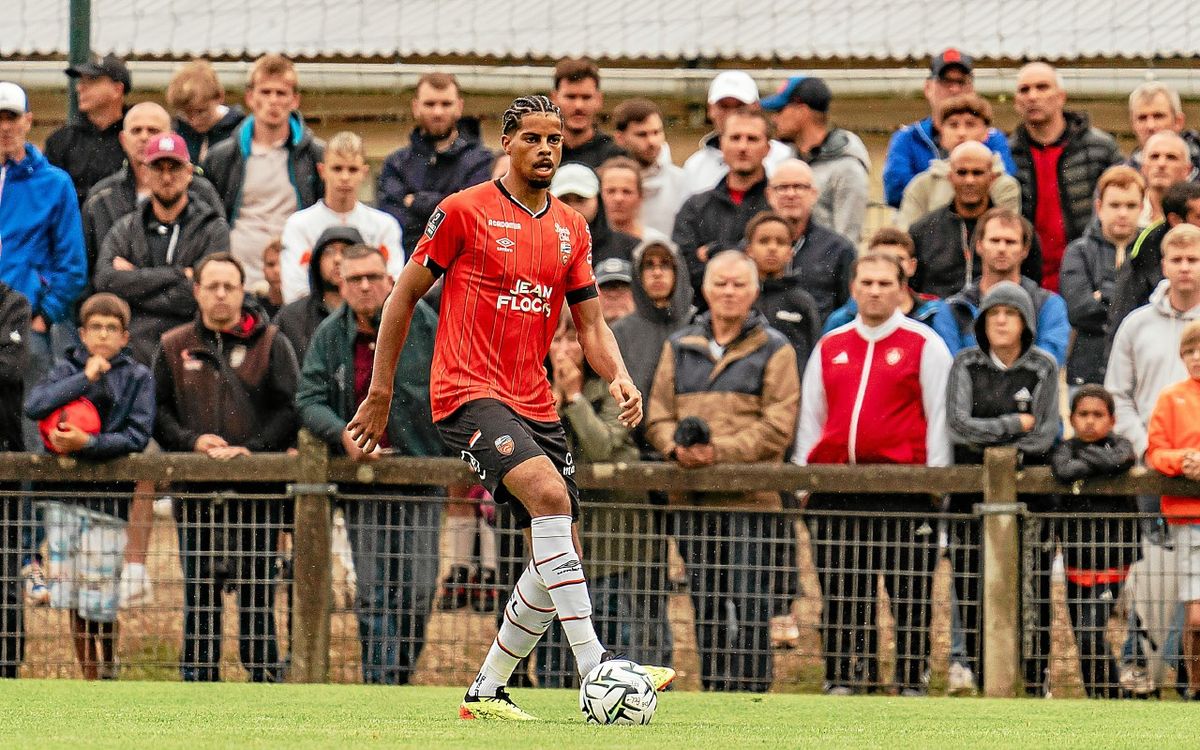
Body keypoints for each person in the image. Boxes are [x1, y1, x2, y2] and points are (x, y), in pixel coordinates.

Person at [346, 95, 673, 720]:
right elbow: (401, 298)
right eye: (533, 139)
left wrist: (622, 377)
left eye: (556, 140)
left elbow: (593, 325)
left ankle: (487, 689)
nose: (547, 149)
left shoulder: (569, 229)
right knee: (550, 499)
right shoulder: (463, 212)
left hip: (534, 400)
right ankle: (597, 667)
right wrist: (381, 390)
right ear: (508, 142)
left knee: (560, 547)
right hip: (467, 391)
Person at [795, 251, 952, 696]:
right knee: (844, 592)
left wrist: (934, 488)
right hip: (838, 491)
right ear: (853, 288)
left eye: (885, 283)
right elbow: (812, 417)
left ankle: (909, 680)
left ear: (902, 288)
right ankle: (844, 678)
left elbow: (938, 416)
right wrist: (807, 484)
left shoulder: (925, 344)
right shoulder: (831, 345)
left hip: (904, 491)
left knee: (910, 593)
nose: (875, 291)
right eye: (867, 282)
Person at [646, 250, 799, 691]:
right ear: (705, 289)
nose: (729, 292)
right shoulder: (678, 346)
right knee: (706, 603)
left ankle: (753, 691)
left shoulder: (777, 349)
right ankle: (713, 686)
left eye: (738, 284)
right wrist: (675, 447)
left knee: (751, 604)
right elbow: (656, 415)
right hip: (692, 501)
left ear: (754, 291)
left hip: (752, 501)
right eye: (720, 284)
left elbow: (777, 428)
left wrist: (717, 453)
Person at [296, 243, 443, 684]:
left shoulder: (425, 325)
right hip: (365, 481)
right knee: (375, 593)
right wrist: (344, 434)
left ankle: (400, 676)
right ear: (339, 285)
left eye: (373, 277)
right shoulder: (330, 334)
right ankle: (379, 683)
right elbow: (308, 398)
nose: (364, 286)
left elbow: (450, 385)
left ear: (391, 281)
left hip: (422, 477)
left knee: (417, 592)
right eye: (354, 279)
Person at [153, 252, 299, 682]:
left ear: (242, 291)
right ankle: (197, 681)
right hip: (195, 491)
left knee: (258, 592)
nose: (220, 294)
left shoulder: (271, 341)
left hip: (258, 493)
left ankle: (264, 679)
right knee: (200, 592)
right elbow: (157, 411)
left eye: (229, 286)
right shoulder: (172, 345)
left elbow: (290, 407)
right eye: (212, 286)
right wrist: (190, 442)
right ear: (197, 291)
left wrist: (252, 450)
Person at [23, 293, 154, 680]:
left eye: (111, 328)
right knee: (72, 597)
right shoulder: (66, 369)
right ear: (81, 333)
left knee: (103, 600)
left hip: (108, 503)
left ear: (125, 336)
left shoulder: (137, 377)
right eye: (95, 327)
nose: (102, 335)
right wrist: (87, 377)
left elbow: (137, 435)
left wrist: (90, 444)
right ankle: (89, 676)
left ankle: (109, 670)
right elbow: (35, 406)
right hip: (63, 501)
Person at [536, 314, 671, 686]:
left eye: (572, 341)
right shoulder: (535, 393)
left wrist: (576, 400)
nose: (564, 351)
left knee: (620, 630)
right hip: (565, 535)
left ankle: (628, 690)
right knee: (557, 637)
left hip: (618, 537)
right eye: (556, 341)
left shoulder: (613, 390)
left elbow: (600, 448)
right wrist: (553, 406)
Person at [946, 281, 1061, 696]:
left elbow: (1045, 436)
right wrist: (1012, 426)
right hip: (969, 496)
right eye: (993, 313)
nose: (1000, 320)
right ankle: (981, 675)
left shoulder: (1043, 367)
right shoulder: (965, 365)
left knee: (1032, 588)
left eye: (1009, 313)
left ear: (1025, 322)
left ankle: (1033, 679)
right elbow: (959, 427)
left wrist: (994, 441)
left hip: (1031, 499)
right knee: (972, 583)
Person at [1106, 224, 1200, 696]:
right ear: (1163, 264)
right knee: (1155, 574)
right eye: (1177, 260)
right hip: (1151, 472)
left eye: (1194, 259)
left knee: (1197, 584)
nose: (1185, 268)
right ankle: (1141, 669)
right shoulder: (1137, 324)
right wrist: (1149, 450)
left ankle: (1186, 678)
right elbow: (1117, 395)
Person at [93, 132, 230, 365]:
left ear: (189, 173)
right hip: (133, 348)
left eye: (174, 168)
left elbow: (200, 295)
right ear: (145, 173)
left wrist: (135, 282)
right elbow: (105, 281)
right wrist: (178, 274)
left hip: (192, 341)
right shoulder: (125, 228)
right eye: (158, 168)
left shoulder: (212, 228)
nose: (166, 177)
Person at [0, 81, 88, 435]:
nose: (4, 126)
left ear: (28, 122)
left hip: (24, 320)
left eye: (12, 117)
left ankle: (29, 494)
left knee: (29, 420)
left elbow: (73, 264)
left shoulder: (55, 183)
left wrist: (42, 314)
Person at [202, 54, 324, 289]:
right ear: (250, 97)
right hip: (235, 280)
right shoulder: (222, 157)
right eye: (265, 92)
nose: (273, 101)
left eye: (281, 93)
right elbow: (209, 220)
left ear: (295, 99)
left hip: (297, 278)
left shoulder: (316, 155)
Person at [1051, 384, 1140, 699]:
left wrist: (1087, 465)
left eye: (1098, 415)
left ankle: (1113, 695)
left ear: (1112, 420)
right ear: (1072, 418)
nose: (1090, 421)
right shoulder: (1063, 450)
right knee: (1083, 637)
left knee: (1091, 632)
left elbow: (1122, 459)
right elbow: (1063, 470)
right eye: (1083, 414)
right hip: (1076, 558)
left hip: (1113, 558)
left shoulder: (1122, 445)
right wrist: (1099, 462)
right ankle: (1098, 696)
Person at [1008, 61, 1123, 292]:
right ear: (1016, 102)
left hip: (1089, 275)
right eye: (1024, 90)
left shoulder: (1100, 148)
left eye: (1042, 87)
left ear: (1061, 96)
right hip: (1028, 280)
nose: (1032, 96)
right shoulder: (1008, 153)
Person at [82, 102, 225, 284]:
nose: (144, 137)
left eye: (153, 130)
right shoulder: (100, 198)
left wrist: (134, 277)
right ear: (123, 140)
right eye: (136, 131)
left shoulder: (202, 191)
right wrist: (181, 275)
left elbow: (213, 271)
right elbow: (97, 274)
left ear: (171, 137)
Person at [377, 72, 494, 254]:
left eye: (446, 104)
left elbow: (471, 219)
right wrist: (449, 202)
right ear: (416, 107)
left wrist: (416, 201)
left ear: (459, 107)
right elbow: (392, 222)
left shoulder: (481, 162)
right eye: (430, 104)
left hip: (460, 269)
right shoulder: (395, 164)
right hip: (406, 269)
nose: (438, 112)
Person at [882, 49, 1016, 207]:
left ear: (972, 88)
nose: (955, 89)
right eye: (945, 81)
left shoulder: (993, 138)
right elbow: (895, 192)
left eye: (961, 82)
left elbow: (1005, 185)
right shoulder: (907, 138)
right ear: (927, 88)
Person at [279, 131, 402, 303]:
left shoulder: (385, 226)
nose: (345, 177)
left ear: (364, 172)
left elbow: (393, 285)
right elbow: (295, 290)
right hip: (314, 320)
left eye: (352, 169)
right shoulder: (298, 225)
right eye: (337, 168)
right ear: (322, 170)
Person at [909, 141, 1043, 299]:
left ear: (992, 178)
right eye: (962, 173)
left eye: (977, 173)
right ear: (950, 177)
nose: (969, 181)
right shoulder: (922, 231)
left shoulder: (1019, 231)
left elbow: (1031, 285)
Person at [1146, 319, 1200, 699]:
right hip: (1189, 518)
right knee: (1196, 617)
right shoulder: (1171, 397)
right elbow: (1156, 451)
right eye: (1190, 351)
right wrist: (1184, 461)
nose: (1196, 358)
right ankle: (1194, 688)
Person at [944, 208, 1069, 364]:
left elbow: (1048, 365)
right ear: (979, 245)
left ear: (1025, 250)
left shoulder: (1049, 305)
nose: (1002, 249)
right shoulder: (954, 308)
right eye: (995, 240)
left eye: (1010, 242)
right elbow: (953, 369)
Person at [1060, 166, 1144, 390]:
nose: (1123, 213)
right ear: (1099, 207)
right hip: (1087, 367)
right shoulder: (1078, 251)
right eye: (1115, 205)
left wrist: (1102, 294)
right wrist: (1125, 295)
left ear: (1142, 208)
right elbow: (1079, 311)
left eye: (1131, 205)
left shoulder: (1152, 250)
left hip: (1141, 366)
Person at [673, 108, 773, 296]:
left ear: (768, 148)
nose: (743, 147)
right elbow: (683, 270)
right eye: (735, 138)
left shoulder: (778, 207)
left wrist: (714, 252)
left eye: (752, 139)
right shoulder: (695, 208)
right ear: (721, 144)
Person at [610, 236, 694, 451]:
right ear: (638, 275)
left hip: (689, 446)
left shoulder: (698, 325)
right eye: (649, 266)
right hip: (633, 446)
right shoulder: (620, 332)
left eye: (665, 264)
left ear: (678, 272)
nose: (657, 273)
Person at [761, 76, 869, 242]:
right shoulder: (787, 160)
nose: (774, 119)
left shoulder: (847, 168)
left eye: (780, 110)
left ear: (802, 111)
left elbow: (847, 242)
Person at [823, 227, 959, 353]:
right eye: (881, 257)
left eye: (899, 259)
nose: (890, 265)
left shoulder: (935, 314)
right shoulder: (842, 319)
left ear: (912, 266)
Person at [897, 94, 1021, 229]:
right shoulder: (922, 185)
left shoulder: (1004, 185)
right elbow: (905, 238)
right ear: (942, 132)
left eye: (970, 124)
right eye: (953, 125)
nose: (961, 133)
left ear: (986, 132)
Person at [763, 158, 856, 323]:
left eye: (799, 187)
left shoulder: (839, 249)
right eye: (782, 187)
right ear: (769, 195)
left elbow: (848, 311)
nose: (790, 194)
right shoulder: (752, 248)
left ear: (814, 194)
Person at [1107, 181, 1200, 341]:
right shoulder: (1144, 255)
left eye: (1193, 260)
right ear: (1176, 220)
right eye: (1199, 217)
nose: (1185, 268)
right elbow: (1120, 322)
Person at [681, 71, 793, 193]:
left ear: (756, 107)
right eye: (723, 106)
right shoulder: (695, 167)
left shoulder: (785, 158)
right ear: (710, 109)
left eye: (740, 106)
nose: (732, 114)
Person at [44, 54, 130, 204]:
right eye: (80, 80)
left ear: (117, 89)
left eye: (92, 80)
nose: (79, 87)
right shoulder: (60, 141)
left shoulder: (138, 138)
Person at [742, 212, 821, 369]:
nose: (772, 248)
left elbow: (814, 355)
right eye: (764, 241)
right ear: (749, 250)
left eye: (781, 242)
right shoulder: (740, 298)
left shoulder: (802, 302)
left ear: (790, 253)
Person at [275, 225, 360, 370]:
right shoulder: (291, 317)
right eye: (329, 252)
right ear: (317, 261)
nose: (338, 259)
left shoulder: (378, 315)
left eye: (347, 251)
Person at [0, 281, 29, 677]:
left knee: (4, 574)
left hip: (4, 456)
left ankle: (6, 668)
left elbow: (10, 368)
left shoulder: (14, 305)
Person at [611, 98, 688, 237]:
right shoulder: (605, 181)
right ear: (620, 138)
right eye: (642, 134)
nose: (652, 141)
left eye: (656, 132)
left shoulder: (683, 181)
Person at [549, 162, 638, 264]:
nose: (572, 208)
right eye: (564, 200)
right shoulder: (536, 246)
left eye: (580, 199)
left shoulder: (630, 249)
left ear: (598, 200)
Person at [549, 58, 625, 169]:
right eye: (570, 97)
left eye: (586, 97)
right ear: (554, 98)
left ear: (599, 99)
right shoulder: (543, 152)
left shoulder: (615, 156)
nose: (578, 106)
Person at [167, 59, 246, 163]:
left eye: (201, 112)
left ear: (219, 97)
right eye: (186, 114)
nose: (194, 121)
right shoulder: (176, 132)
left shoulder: (240, 132)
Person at [1127, 82, 1200, 174]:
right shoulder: (1123, 176)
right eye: (1142, 118)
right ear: (1133, 124)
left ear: (1178, 121)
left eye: (1158, 116)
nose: (1150, 126)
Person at [1139, 131, 1194, 225]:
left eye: (1171, 157)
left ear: (1187, 170)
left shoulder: (1196, 213)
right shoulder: (1127, 208)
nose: (1161, 164)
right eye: (1154, 157)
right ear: (1143, 167)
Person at [597, 156, 644, 238]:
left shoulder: (654, 245)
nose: (618, 198)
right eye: (611, 191)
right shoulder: (585, 243)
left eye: (626, 192)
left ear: (640, 197)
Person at [594, 257, 636, 324]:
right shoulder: (578, 333)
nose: (613, 294)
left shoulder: (655, 332)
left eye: (622, 287)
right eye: (605, 288)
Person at [256, 238, 284, 319]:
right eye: (270, 264)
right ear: (263, 269)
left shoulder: (305, 309)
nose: (276, 271)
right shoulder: (254, 307)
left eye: (283, 264)